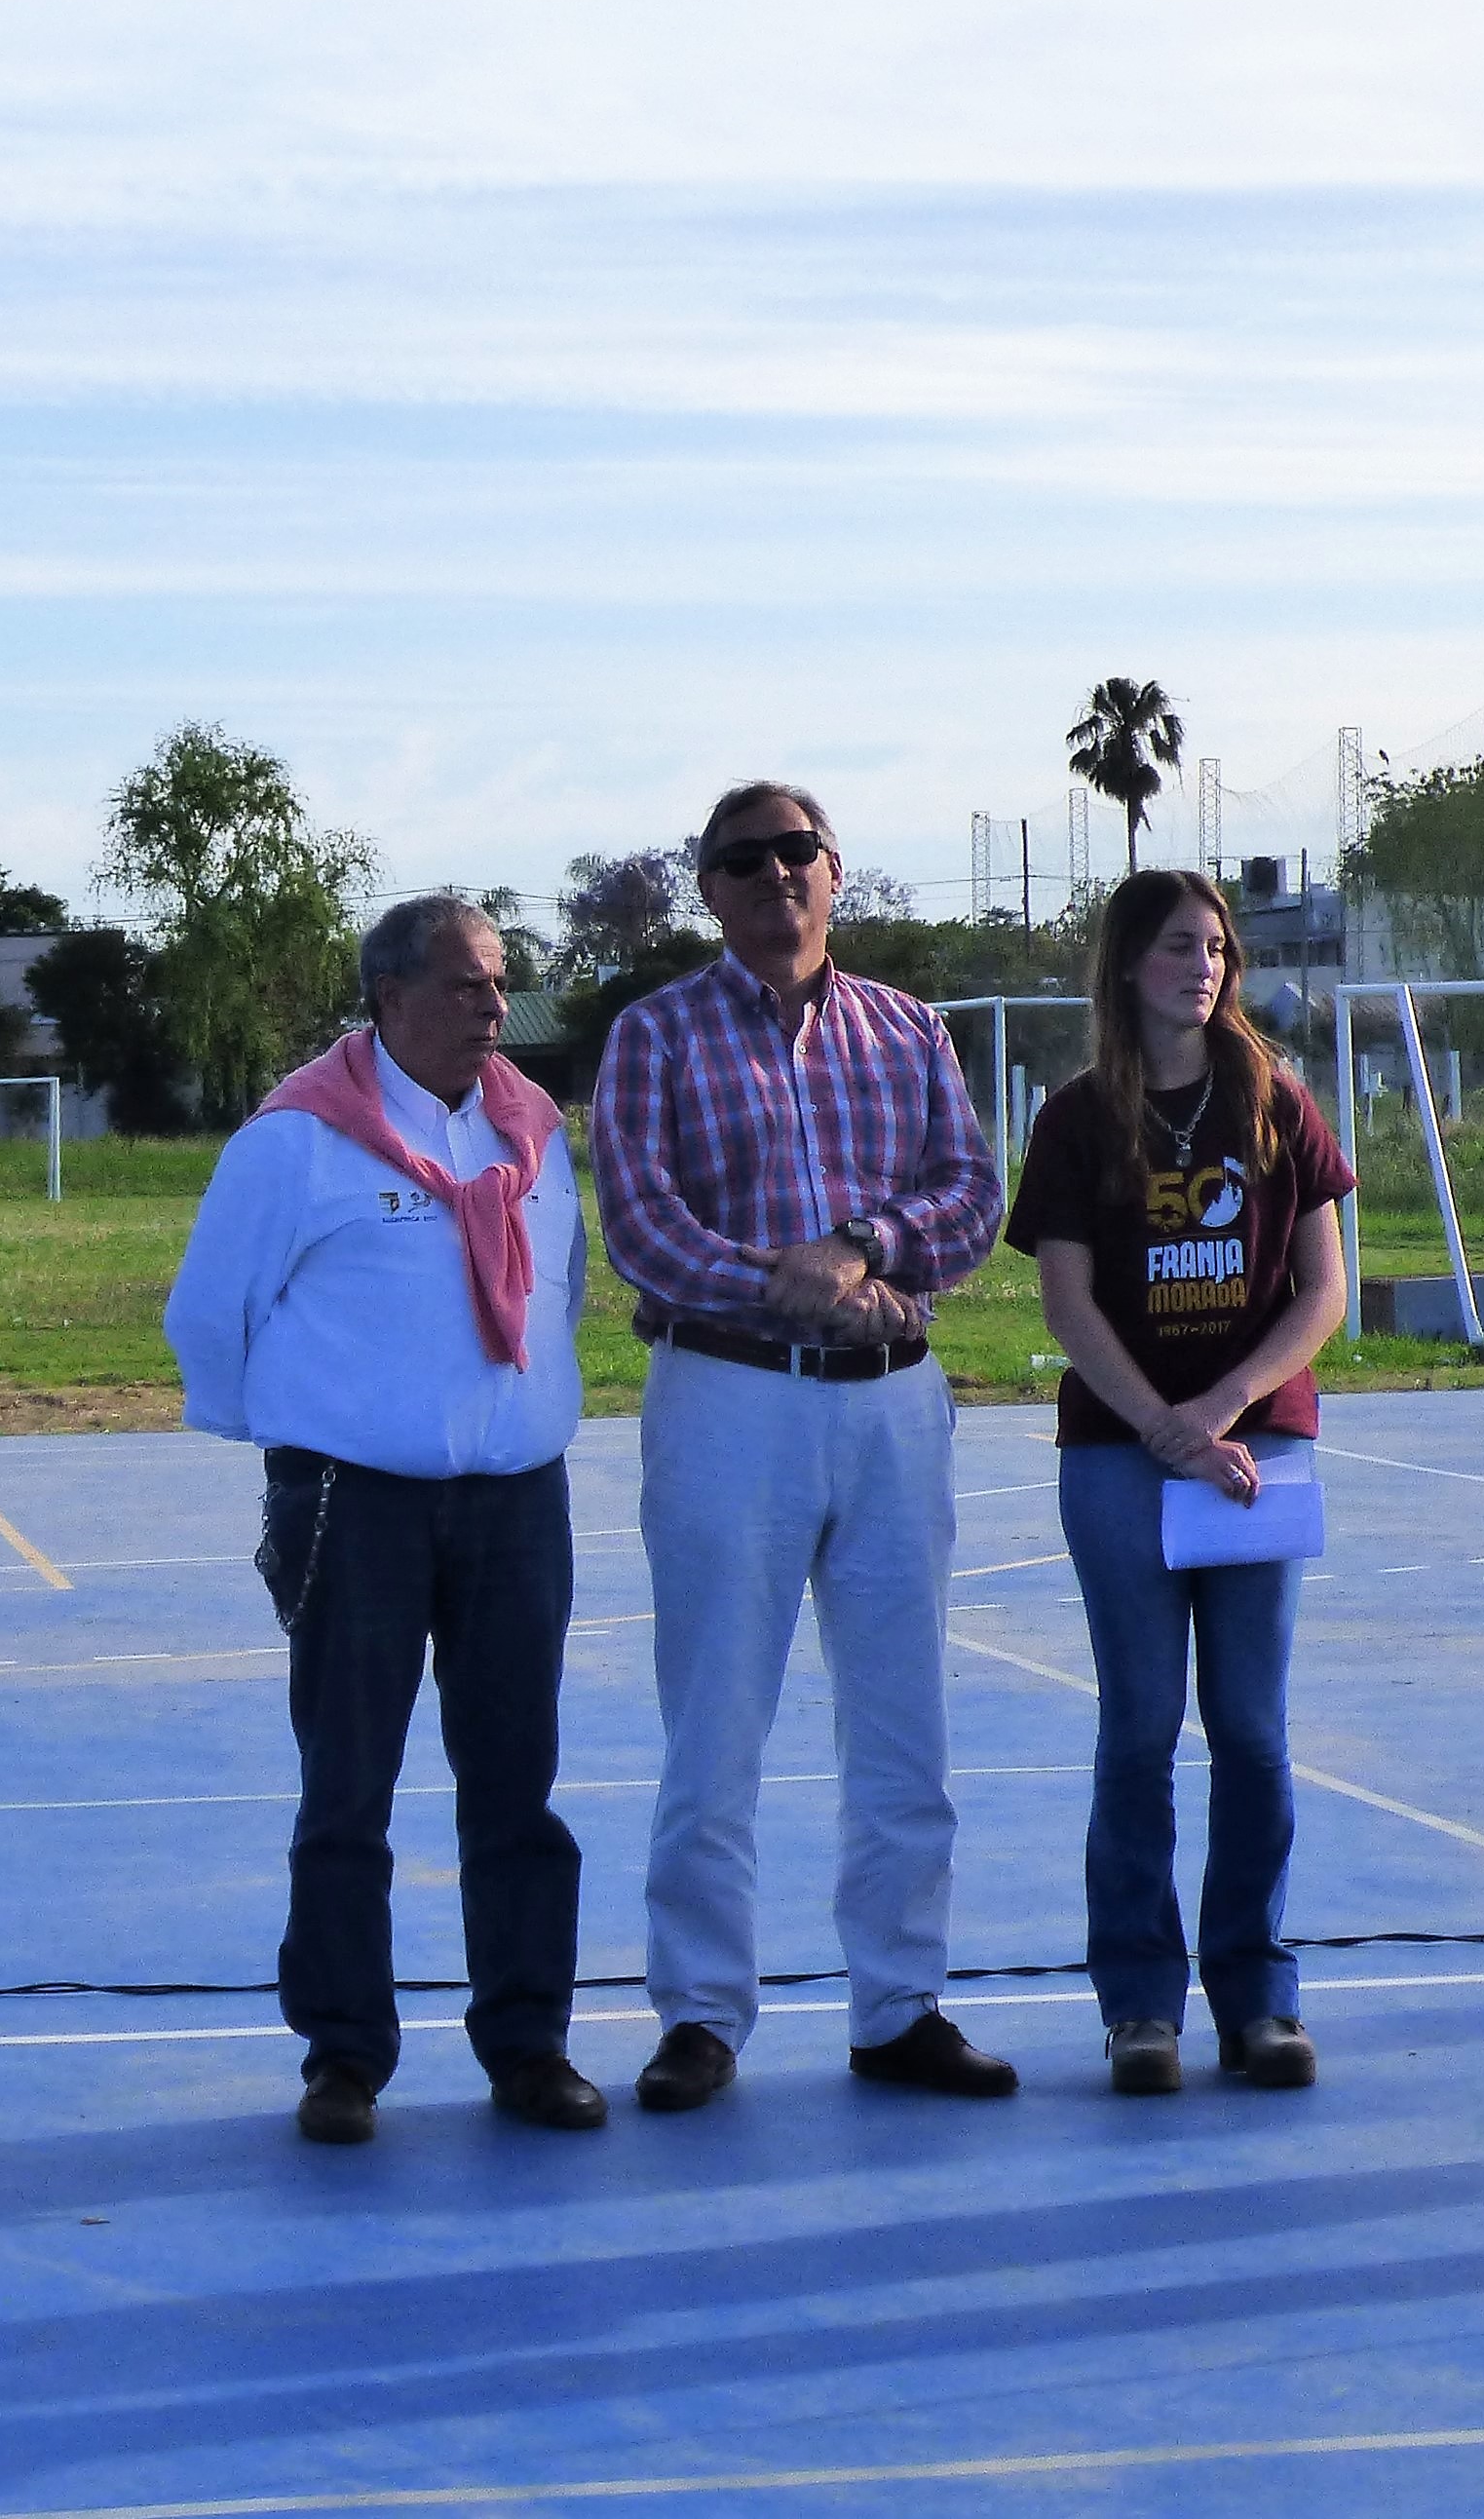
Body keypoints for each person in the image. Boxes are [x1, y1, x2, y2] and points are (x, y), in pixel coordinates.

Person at [594, 779, 1013, 2114]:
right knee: (715, 1723)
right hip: (730, 1400)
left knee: (903, 1724)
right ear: (708, 888)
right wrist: (802, 1287)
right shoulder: (654, 1035)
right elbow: (642, 1227)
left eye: (797, 850)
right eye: (745, 858)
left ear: (837, 870)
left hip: (893, 1403)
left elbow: (971, 1197)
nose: (776, 872)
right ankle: (701, 2013)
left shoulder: (911, 1027)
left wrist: (861, 1249)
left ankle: (900, 2006)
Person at [167, 895, 601, 2145]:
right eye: (468, 984)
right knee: (348, 1790)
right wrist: (308, 1434)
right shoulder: (297, 1141)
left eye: (501, 982)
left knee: (518, 1788)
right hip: (354, 1506)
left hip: (517, 1503)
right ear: (391, 997)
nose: (495, 1007)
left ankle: (529, 2042)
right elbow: (211, 1314)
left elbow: (562, 1290)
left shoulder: (530, 1130)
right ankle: (345, 2055)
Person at [1007, 870, 1355, 2097]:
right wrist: (1160, 1426)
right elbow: (1066, 1303)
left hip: (1256, 1456)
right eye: (1175, 947)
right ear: (1126, 964)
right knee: (1141, 1727)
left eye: (1215, 948)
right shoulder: (1077, 1120)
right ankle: (1141, 2004)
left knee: (1251, 1731)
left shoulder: (1276, 1100)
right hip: (1121, 1457)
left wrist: (1218, 1409)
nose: (1201, 967)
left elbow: (1324, 1291)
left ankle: (1258, 1994)